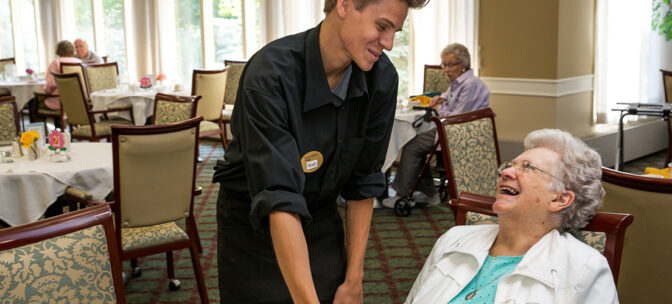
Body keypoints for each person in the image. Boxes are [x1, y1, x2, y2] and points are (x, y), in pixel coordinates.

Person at [212, 0, 429, 303]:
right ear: (344, 5)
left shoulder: (382, 79)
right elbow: (279, 199)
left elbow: (362, 182)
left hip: (321, 217)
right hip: (254, 224)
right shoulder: (270, 74)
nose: (390, 44)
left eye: (395, 31)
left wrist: (355, 278)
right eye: (382, 27)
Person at [405, 129, 619, 303]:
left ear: (559, 200)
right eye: (510, 165)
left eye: (528, 168)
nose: (505, 173)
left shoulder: (585, 268)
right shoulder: (454, 239)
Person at [383, 43, 490, 208]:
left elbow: (457, 118)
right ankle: (429, 193)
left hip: (459, 134)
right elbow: (448, 96)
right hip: (450, 130)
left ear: (463, 65)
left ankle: (402, 194)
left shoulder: (470, 84)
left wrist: (440, 107)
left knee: (413, 145)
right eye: (444, 64)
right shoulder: (459, 82)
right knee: (414, 142)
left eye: (450, 64)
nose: (445, 69)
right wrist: (440, 98)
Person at [42, 40, 82, 110]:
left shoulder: (56, 62)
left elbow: (51, 84)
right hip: (78, 101)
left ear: (58, 50)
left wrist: (45, 91)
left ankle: (56, 120)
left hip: (59, 101)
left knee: (33, 104)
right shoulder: (79, 62)